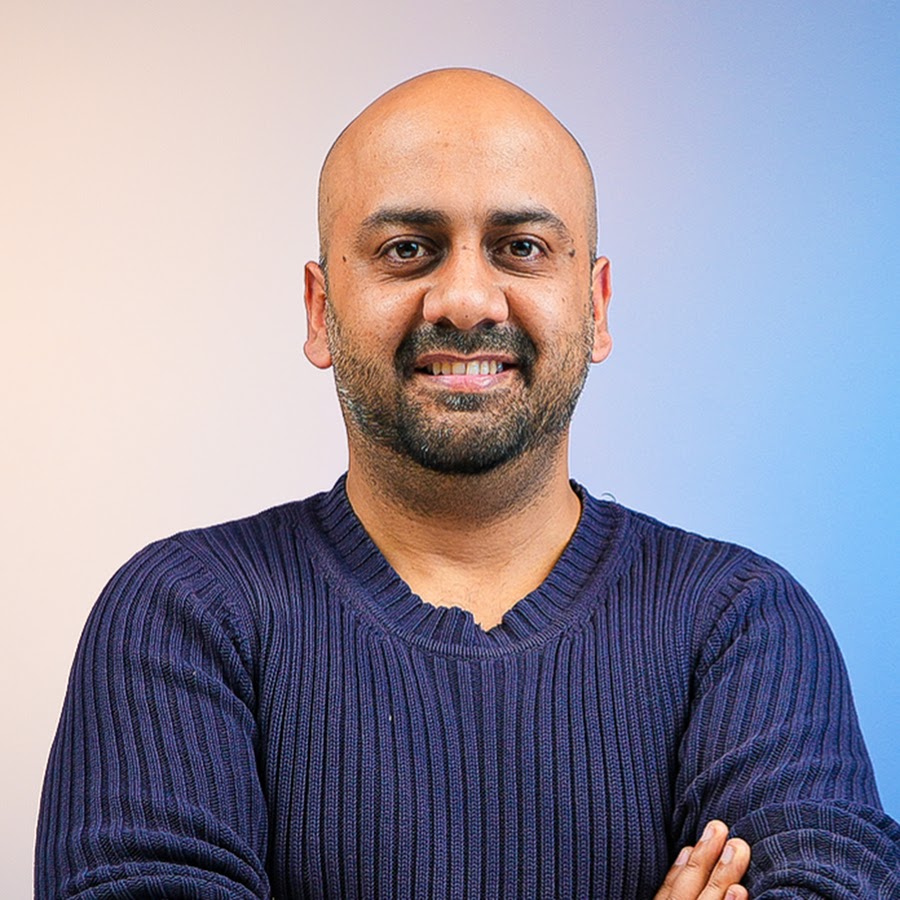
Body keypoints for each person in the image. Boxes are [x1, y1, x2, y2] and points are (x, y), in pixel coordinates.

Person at [35, 68, 899, 899]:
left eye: (520, 248)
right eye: (407, 249)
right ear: (320, 309)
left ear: (596, 306)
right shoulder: (182, 615)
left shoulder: (742, 622)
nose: (466, 300)